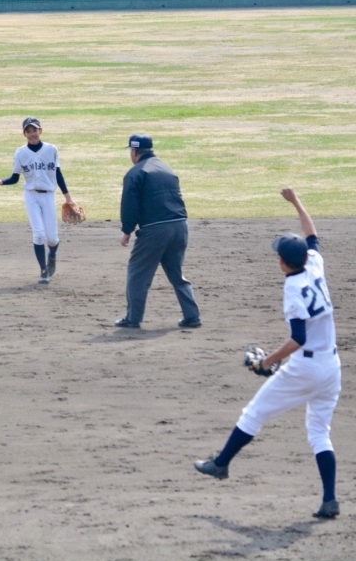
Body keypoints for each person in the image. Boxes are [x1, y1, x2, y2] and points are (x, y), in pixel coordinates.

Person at [194, 188, 341, 520]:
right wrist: (296, 201)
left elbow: (298, 338)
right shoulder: (315, 264)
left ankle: (221, 464)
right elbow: (312, 235)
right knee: (319, 432)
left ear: (283, 262)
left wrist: (268, 361)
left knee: (253, 413)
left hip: (305, 368)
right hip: (331, 367)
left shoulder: (292, 288)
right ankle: (330, 500)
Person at [115, 133, 201, 329]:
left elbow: (129, 205)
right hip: (180, 226)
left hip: (155, 229)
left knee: (138, 273)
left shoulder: (136, 172)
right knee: (177, 274)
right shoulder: (166, 168)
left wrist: (127, 230)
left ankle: (133, 318)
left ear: (134, 151)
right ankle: (192, 316)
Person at [0, 117, 79, 284]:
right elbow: (15, 178)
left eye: (34, 130)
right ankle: (43, 270)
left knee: (52, 239)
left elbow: (58, 174)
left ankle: (52, 255)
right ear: (24, 134)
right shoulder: (20, 153)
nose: (32, 134)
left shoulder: (51, 150)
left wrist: (68, 198)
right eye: (28, 131)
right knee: (38, 234)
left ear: (40, 131)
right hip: (31, 196)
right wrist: (0, 182)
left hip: (48, 195)